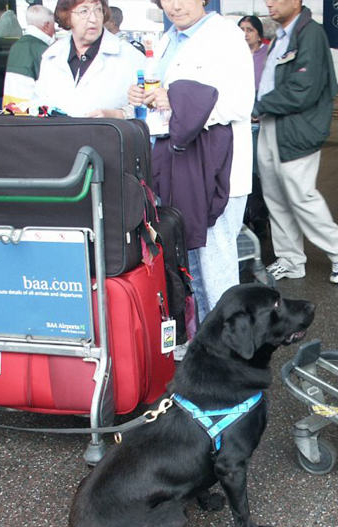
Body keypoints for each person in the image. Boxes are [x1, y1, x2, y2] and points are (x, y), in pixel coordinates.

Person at [127, 0, 254, 323]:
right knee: (188, 262)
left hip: (216, 169)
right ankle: (201, 341)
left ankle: (229, 348)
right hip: (176, 167)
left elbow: (239, 103)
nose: (175, 5)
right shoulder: (169, 39)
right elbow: (164, 96)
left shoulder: (225, 36)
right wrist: (145, 96)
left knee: (216, 265)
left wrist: (178, 98)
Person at [254, 0, 338, 284]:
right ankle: (290, 259)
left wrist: (258, 105)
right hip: (271, 123)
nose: (269, 3)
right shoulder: (281, 35)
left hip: (295, 127)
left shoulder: (310, 34)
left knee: (301, 196)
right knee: (275, 196)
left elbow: (303, 88)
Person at [32, 0, 146, 118]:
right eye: (84, 11)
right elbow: (38, 104)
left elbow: (152, 108)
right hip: (58, 135)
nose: (93, 19)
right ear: (66, 16)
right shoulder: (52, 56)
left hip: (107, 135)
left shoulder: (130, 56)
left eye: (98, 10)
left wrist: (119, 114)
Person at [238, 14, 270, 237]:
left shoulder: (267, 56)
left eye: (249, 29)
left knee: (258, 176)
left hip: (259, 124)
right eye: (241, 29)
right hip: (239, 124)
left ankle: (260, 218)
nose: (245, 34)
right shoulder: (233, 55)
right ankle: (246, 217)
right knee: (243, 174)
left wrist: (260, 112)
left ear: (259, 34)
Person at [2, 4, 55, 110]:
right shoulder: (44, 50)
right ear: (47, 25)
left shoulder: (15, 46)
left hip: (12, 112)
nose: (55, 30)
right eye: (54, 25)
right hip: (33, 116)